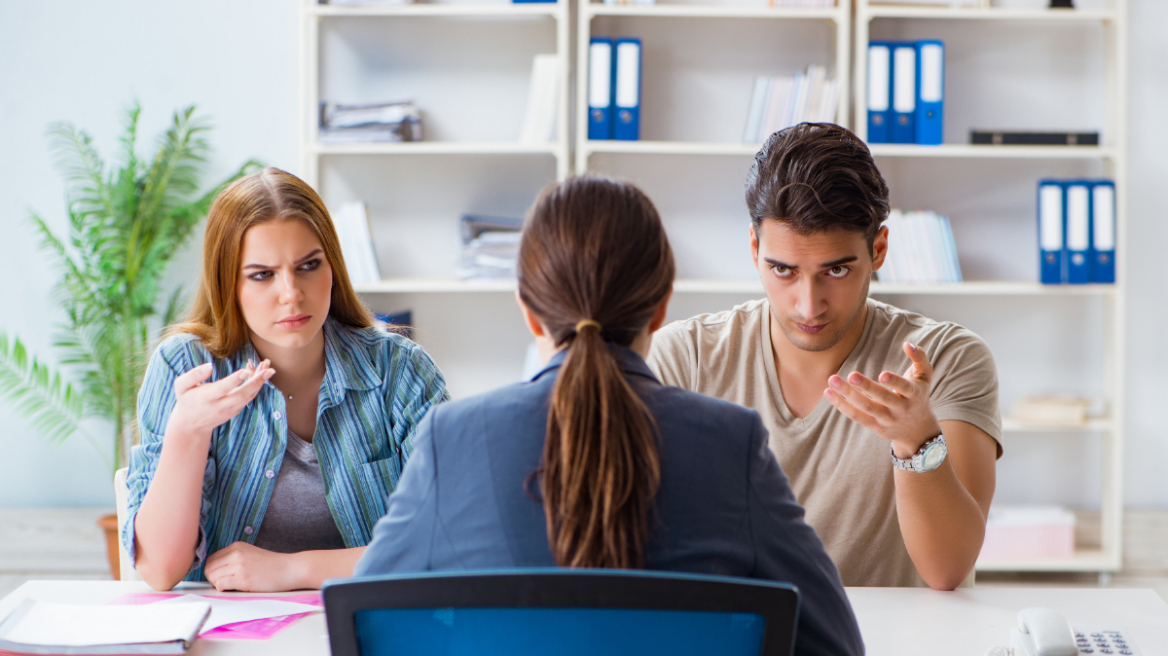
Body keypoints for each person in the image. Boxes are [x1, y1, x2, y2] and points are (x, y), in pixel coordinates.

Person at [356, 176, 863, 656]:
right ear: (662, 308)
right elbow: (835, 643)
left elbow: (363, 627)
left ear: (528, 310)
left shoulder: (453, 438)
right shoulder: (731, 442)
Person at [647, 123, 1002, 590]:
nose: (808, 304)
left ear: (878, 250)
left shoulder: (949, 358)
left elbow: (948, 570)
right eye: (783, 270)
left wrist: (917, 440)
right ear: (755, 250)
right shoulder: (684, 359)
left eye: (836, 270)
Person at [123, 167, 448, 592]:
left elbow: (446, 542)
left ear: (333, 266)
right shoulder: (182, 366)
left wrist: (293, 570)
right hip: (228, 633)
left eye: (309, 265)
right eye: (262, 274)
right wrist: (187, 429)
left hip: (367, 625)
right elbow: (161, 570)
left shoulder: (400, 371)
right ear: (228, 284)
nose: (292, 293)